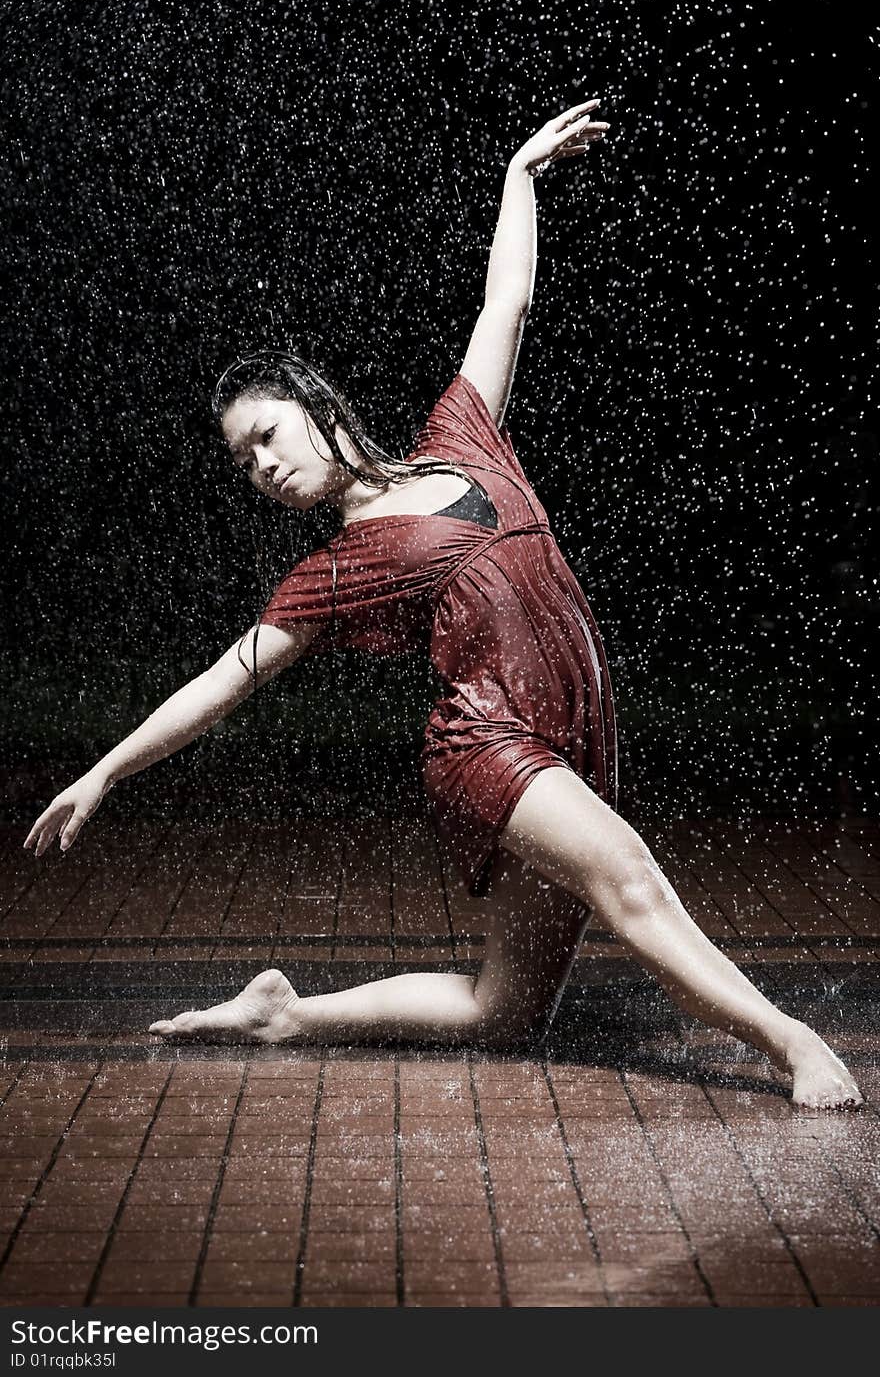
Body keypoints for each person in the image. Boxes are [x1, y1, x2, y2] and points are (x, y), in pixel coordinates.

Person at [23, 101, 861, 1110]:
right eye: (245, 460)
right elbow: (222, 680)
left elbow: (504, 301)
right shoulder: (336, 569)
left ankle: (283, 1011)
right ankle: (791, 1043)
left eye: (269, 435)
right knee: (628, 876)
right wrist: (107, 769)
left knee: (502, 1010)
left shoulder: (462, 434)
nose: (264, 467)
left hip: (576, 732)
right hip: (489, 742)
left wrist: (518, 173)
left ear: (320, 406)